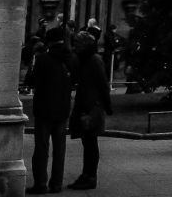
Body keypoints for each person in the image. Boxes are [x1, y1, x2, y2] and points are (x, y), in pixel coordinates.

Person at [26, 26, 74, 194]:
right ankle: (56, 183)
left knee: (42, 147)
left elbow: (31, 81)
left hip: (44, 107)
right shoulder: (70, 59)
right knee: (60, 149)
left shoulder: (43, 59)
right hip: (62, 107)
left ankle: (41, 183)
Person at [66, 31, 112, 190]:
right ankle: (86, 174)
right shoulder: (83, 59)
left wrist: (107, 106)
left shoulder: (94, 60)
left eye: (78, 44)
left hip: (92, 106)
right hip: (85, 104)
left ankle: (90, 176)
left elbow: (103, 84)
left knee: (91, 143)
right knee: (88, 142)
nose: (75, 46)